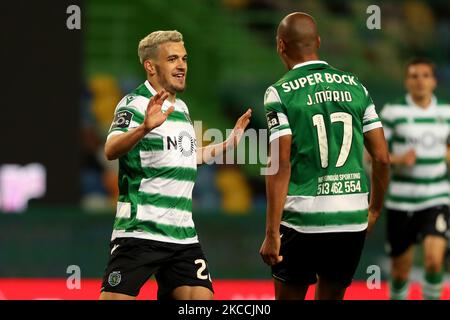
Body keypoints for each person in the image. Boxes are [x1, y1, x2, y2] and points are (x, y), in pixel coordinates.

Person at [100, 30, 252, 300]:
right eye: (172, 59)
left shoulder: (180, 108)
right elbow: (111, 149)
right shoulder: (134, 103)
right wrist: (144, 128)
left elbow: (186, 155)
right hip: (140, 231)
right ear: (151, 66)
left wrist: (226, 145)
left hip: (182, 236)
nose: (182, 65)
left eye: (184, 58)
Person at [259, 12, 390, 300]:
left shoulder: (279, 93)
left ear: (281, 46)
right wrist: (375, 210)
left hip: (302, 219)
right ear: (318, 41)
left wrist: (271, 234)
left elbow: (280, 164)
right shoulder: (357, 87)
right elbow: (381, 158)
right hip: (351, 217)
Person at [380, 58, 450, 300]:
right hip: (401, 201)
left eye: (425, 75)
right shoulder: (393, 112)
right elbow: (372, 155)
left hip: (437, 197)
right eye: (414, 76)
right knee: (400, 272)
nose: (420, 81)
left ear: (434, 81)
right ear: (406, 81)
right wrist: (399, 159)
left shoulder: (446, 112)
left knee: (433, 261)